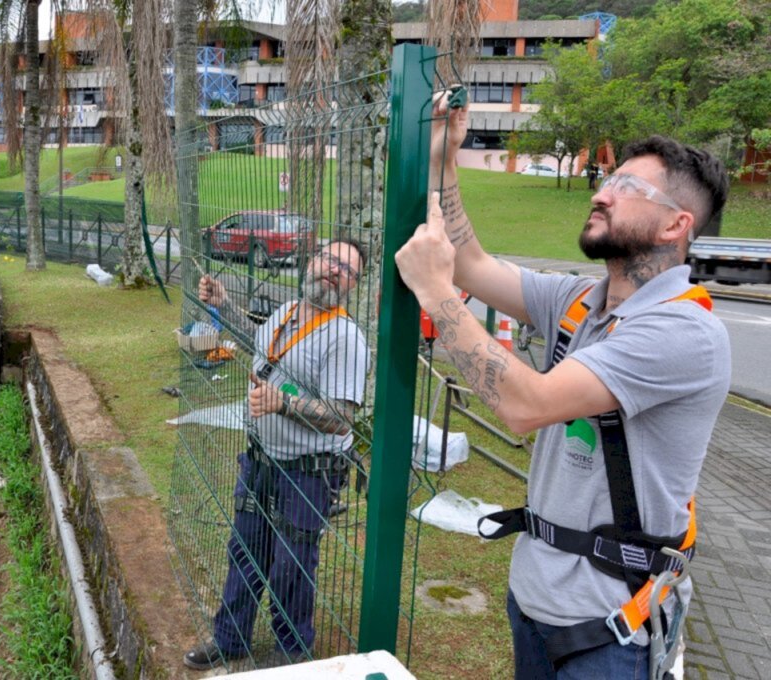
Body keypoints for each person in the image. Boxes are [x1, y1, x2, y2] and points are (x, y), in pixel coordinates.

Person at [395, 92, 730, 680]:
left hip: (609, 630)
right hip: (534, 602)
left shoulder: (684, 330)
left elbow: (527, 406)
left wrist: (434, 292)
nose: (601, 192)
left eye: (630, 189)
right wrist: (445, 159)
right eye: (609, 179)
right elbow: (472, 264)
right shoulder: (581, 302)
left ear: (678, 224)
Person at [183, 239, 371, 670]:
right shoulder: (287, 312)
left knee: (291, 566)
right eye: (329, 259)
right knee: (245, 550)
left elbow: (341, 419)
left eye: (347, 268)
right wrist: (226, 306)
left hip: (308, 474)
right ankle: (230, 640)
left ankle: (290, 656)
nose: (334, 270)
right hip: (262, 459)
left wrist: (282, 403)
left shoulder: (346, 339)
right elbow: (261, 347)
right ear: (312, 261)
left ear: (354, 285)